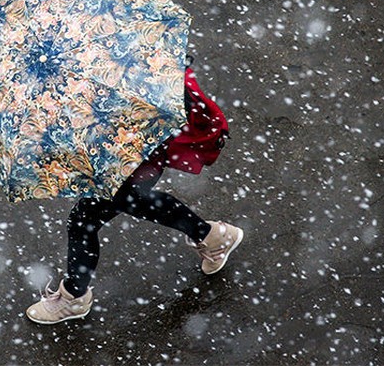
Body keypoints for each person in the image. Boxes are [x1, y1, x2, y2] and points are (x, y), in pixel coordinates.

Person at [25, 65, 244, 324]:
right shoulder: (106, 58)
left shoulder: (114, 70)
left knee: (85, 220)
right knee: (130, 202)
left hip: (130, 152)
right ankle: (212, 237)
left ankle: (74, 297)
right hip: (134, 148)